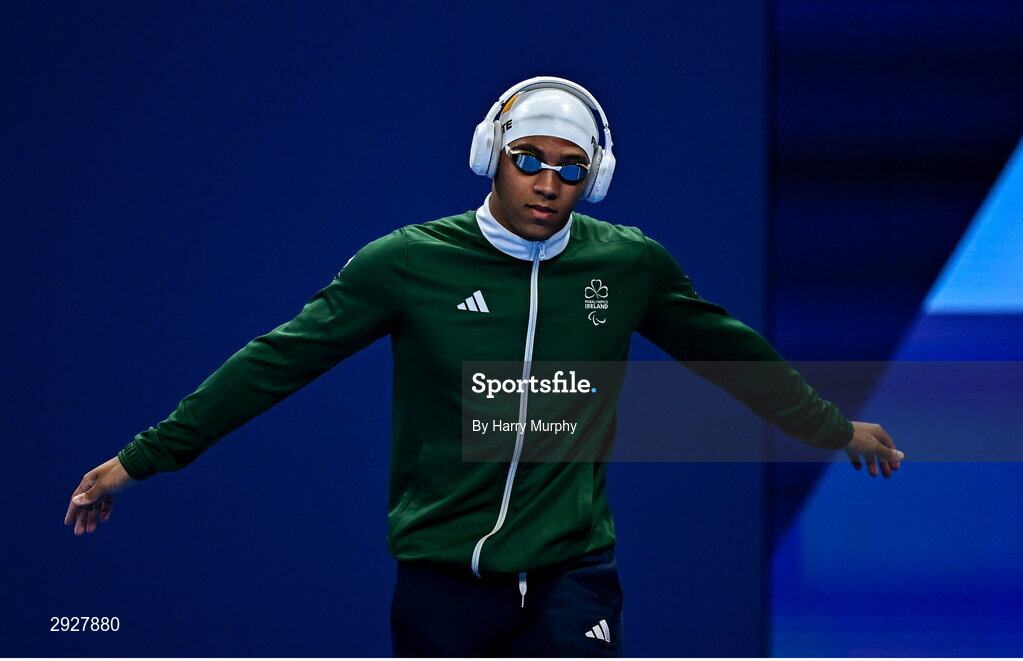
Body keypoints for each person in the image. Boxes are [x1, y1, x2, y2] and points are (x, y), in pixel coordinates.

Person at [65, 76, 904, 657]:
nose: (547, 182)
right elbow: (275, 363)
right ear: (491, 156)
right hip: (440, 581)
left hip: (573, 573)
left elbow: (730, 353)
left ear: (595, 178)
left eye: (570, 167)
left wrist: (832, 427)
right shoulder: (406, 263)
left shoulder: (629, 265)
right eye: (528, 159)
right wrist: (140, 459)